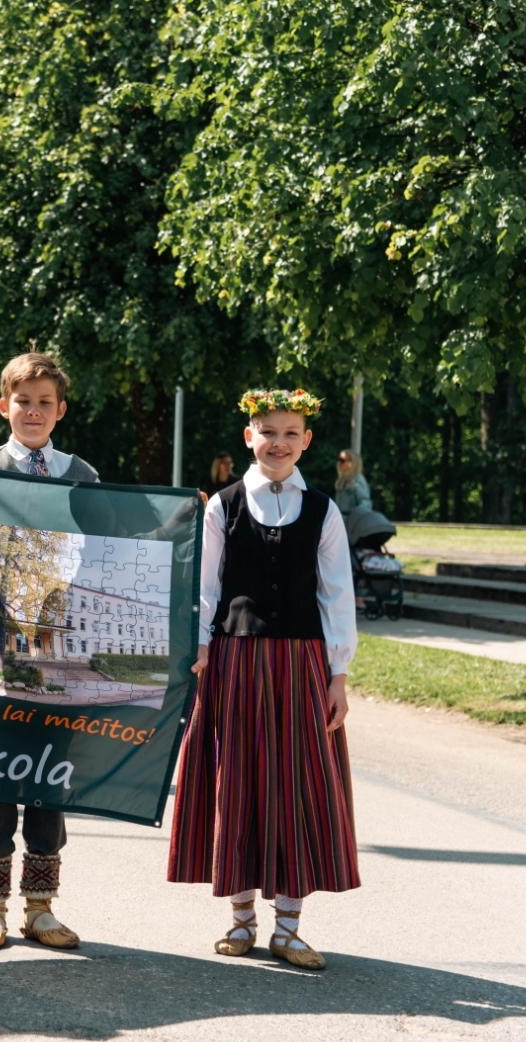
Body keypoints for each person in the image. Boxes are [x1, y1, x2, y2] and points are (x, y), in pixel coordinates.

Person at [167, 388, 359, 971]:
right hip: (235, 660)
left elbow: (337, 594)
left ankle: (291, 926)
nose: (278, 442)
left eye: (290, 432)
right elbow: (205, 584)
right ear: (249, 436)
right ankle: (241, 918)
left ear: (307, 440)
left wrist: (338, 674)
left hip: (301, 663)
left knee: (297, 784)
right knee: (240, 782)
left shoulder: (324, 510)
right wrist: (200, 645)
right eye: (267, 431)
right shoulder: (222, 505)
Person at [0, 352, 93, 952]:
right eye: (22, 400)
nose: (33, 411)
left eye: (45, 402)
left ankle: (41, 906)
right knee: (0, 771)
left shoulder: (80, 474)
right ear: (4, 405)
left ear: (60, 410)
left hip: (60, 646)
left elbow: (107, 545)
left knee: (50, 773)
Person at [334, 451, 372, 515]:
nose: (339, 462)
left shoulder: (357, 480)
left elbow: (366, 503)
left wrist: (355, 511)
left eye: (342, 460)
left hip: (352, 521)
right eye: (338, 459)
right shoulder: (342, 480)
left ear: (352, 463)